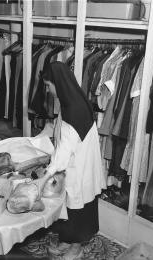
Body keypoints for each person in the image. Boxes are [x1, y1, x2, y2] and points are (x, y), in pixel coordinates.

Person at [40, 62, 106, 259]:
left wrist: (47, 173)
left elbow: (64, 152)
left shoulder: (72, 110)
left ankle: (76, 247)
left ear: (58, 84)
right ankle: (68, 240)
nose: (47, 89)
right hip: (80, 163)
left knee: (77, 209)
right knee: (70, 208)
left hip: (77, 167)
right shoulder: (74, 101)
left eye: (48, 85)